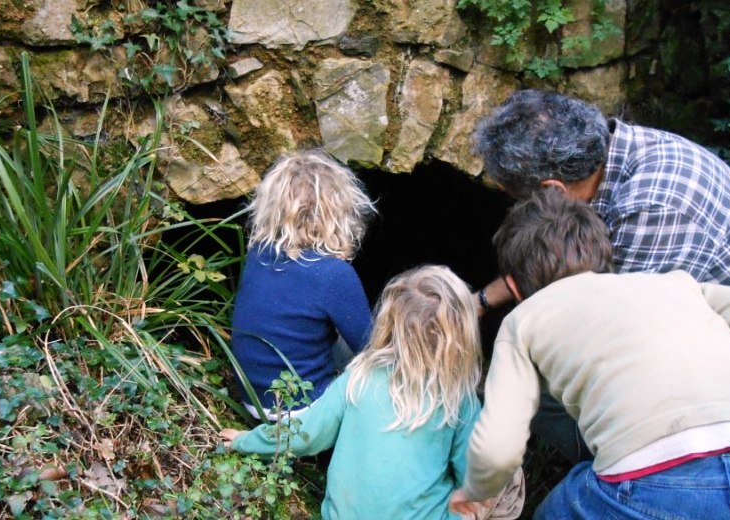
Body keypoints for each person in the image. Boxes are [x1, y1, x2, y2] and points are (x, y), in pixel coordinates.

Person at [450, 191, 730, 519]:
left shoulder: (524, 320)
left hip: (660, 482)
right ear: (603, 254)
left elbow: (498, 449)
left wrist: (475, 493)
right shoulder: (674, 283)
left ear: (513, 286)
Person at [471, 90, 730, 389]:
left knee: (540, 391)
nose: (514, 207)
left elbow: (607, 339)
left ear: (552, 190)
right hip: (692, 331)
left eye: (513, 198)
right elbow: (559, 260)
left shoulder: (651, 210)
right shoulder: (616, 152)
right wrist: (483, 300)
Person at [222, 266, 525, 519]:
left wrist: (246, 441)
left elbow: (306, 434)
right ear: (462, 338)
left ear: (389, 321)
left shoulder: (359, 376)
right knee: (507, 478)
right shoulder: (459, 401)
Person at [230, 149, 376, 420]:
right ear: (340, 211)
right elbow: (371, 349)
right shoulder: (333, 274)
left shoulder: (258, 254)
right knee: (378, 360)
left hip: (252, 399)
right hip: (302, 411)